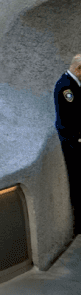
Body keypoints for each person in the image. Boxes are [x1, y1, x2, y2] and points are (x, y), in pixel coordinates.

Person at [55, 53, 81, 232]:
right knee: (78, 181)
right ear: (78, 70)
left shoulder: (75, 84)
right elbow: (73, 119)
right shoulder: (66, 87)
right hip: (73, 142)